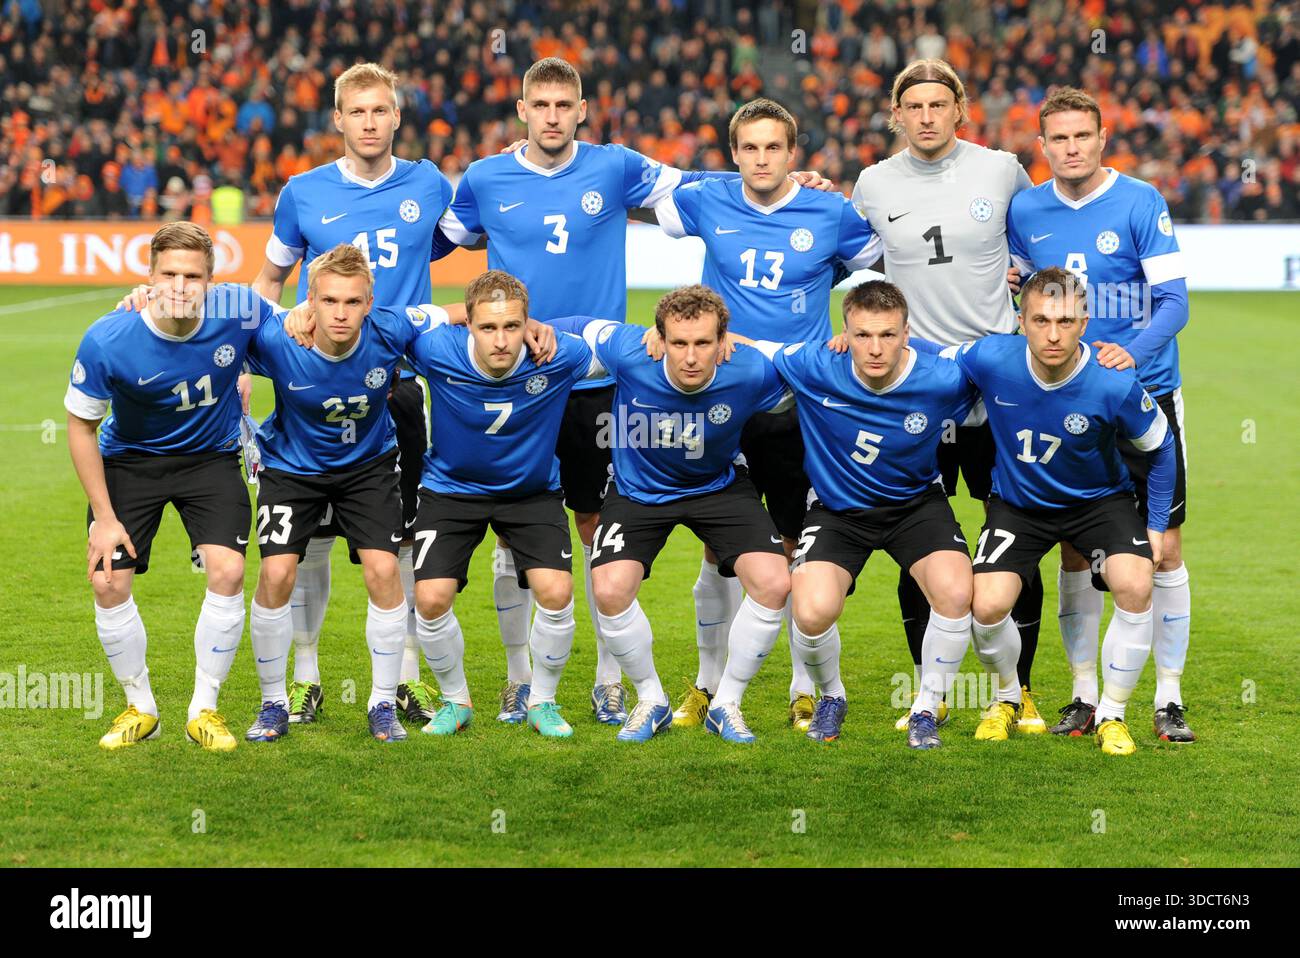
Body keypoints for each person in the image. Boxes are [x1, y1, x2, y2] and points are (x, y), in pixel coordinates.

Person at [438, 57, 829, 727]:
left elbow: (698, 185)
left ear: (583, 109)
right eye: (542, 104)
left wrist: (788, 181)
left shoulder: (615, 167)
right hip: (513, 379)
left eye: (566, 104)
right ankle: (515, 677)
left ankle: (608, 677)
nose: (554, 116)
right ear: (523, 110)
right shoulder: (484, 178)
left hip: (593, 380)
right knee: (513, 532)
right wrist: (449, 313)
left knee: (591, 527)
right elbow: (440, 240)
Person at [651, 97, 881, 734]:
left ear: (793, 152)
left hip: (792, 408)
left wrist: (851, 332)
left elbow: (877, 269)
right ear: (733, 154)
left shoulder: (829, 210)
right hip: (717, 404)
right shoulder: (708, 198)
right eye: (749, 148)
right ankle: (705, 685)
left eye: (773, 148)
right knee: (715, 550)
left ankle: (805, 686)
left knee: (793, 547)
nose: (761, 159)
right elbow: (637, 195)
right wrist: (528, 156)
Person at [252, 62, 456, 727]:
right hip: (314, 384)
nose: (369, 123)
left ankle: (400, 680)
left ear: (397, 117)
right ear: (337, 120)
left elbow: (485, 232)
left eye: (380, 111)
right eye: (356, 112)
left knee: (392, 545)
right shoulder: (303, 193)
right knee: (304, 541)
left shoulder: (429, 184)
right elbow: (269, 282)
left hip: (396, 388)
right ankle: (305, 676)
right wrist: (280, 329)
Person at [850, 58, 1044, 733]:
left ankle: (1017, 692)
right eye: (915, 107)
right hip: (917, 396)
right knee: (916, 540)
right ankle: (925, 693)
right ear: (897, 115)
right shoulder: (873, 183)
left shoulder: (1000, 169)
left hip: (998, 393)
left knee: (1011, 541)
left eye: (939, 105)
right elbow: (857, 270)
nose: (927, 117)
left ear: (959, 108)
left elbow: (1033, 253)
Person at [1006, 87, 1196, 743]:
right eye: (1058, 138)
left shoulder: (1141, 201)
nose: (1071, 148)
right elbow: (1027, 300)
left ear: (1101, 137)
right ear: (1043, 145)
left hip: (1143, 394)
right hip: (1066, 404)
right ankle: (1085, 695)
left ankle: (1168, 698)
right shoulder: (1026, 209)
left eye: (1081, 136)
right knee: (1073, 549)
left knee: (1164, 549)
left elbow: (1174, 303)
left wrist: (1125, 355)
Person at [931, 267, 1175, 756]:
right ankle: (1006, 698)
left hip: (1099, 504)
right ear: (1021, 321)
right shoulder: (991, 357)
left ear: (1085, 322)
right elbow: (926, 360)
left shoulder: (1113, 382)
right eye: (1040, 320)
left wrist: (1155, 525)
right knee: (987, 605)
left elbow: (1162, 446)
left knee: (1134, 582)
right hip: (1018, 507)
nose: (1053, 333)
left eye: (1065, 321)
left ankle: (1112, 713)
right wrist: (849, 349)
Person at [65, 222, 276, 752]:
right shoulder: (109, 337)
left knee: (227, 570)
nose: (180, 285)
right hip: (130, 460)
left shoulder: (240, 310)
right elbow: (80, 426)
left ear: (212, 280)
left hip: (209, 459)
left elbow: (300, 328)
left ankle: (204, 709)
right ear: (149, 276)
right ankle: (141, 707)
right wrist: (104, 518)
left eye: (193, 275)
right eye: (169, 274)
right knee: (109, 581)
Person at [550, 286, 792, 743]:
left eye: (703, 343)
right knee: (609, 588)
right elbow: (575, 325)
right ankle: (650, 698)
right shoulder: (629, 351)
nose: (691, 357)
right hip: (638, 490)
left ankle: (727, 704)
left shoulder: (748, 368)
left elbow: (807, 364)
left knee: (775, 582)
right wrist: (539, 329)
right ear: (659, 338)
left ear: (724, 341)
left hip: (719, 485)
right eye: (679, 343)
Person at [745, 281, 980, 748]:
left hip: (916, 506)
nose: (875, 348)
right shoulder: (815, 364)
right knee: (811, 612)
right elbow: (752, 346)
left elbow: (1004, 369)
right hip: (838, 511)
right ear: (844, 333)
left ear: (907, 333)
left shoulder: (942, 377)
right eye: (862, 335)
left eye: (888, 335)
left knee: (956, 593)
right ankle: (832, 696)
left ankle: (926, 709)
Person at [242, 244, 428, 744]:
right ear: (310, 302)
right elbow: (217, 326)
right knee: (278, 573)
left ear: (370, 302)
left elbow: (457, 315)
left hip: (367, 469)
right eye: (329, 301)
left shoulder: (391, 330)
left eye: (352, 302)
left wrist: (533, 324)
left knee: (385, 569)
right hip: (291, 468)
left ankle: (382, 704)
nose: (340, 313)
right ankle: (273, 702)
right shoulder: (279, 340)